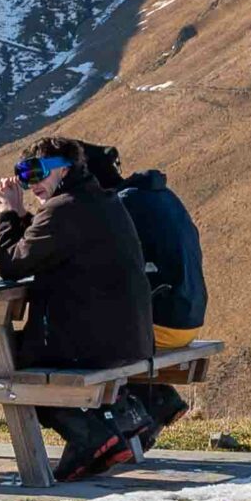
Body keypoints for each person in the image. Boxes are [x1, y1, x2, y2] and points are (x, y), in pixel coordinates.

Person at [0, 135, 153, 478]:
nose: (31, 184)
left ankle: (89, 435)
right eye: (24, 175)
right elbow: (38, 250)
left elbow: (11, 265)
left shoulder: (64, 209)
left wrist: (7, 215)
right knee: (15, 352)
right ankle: (118, 416)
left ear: (63, 169)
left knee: (7, 363)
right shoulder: (97, 199)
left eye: (38, 173)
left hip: (92, 344)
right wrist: (21, 214)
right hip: (125, 338)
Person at [81, 144, 207, 430]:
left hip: (161, 324)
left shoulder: (121, 208)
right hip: (188, 315)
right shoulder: (157, 195)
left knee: (71, 340)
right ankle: (158, 400)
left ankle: (121, 419)